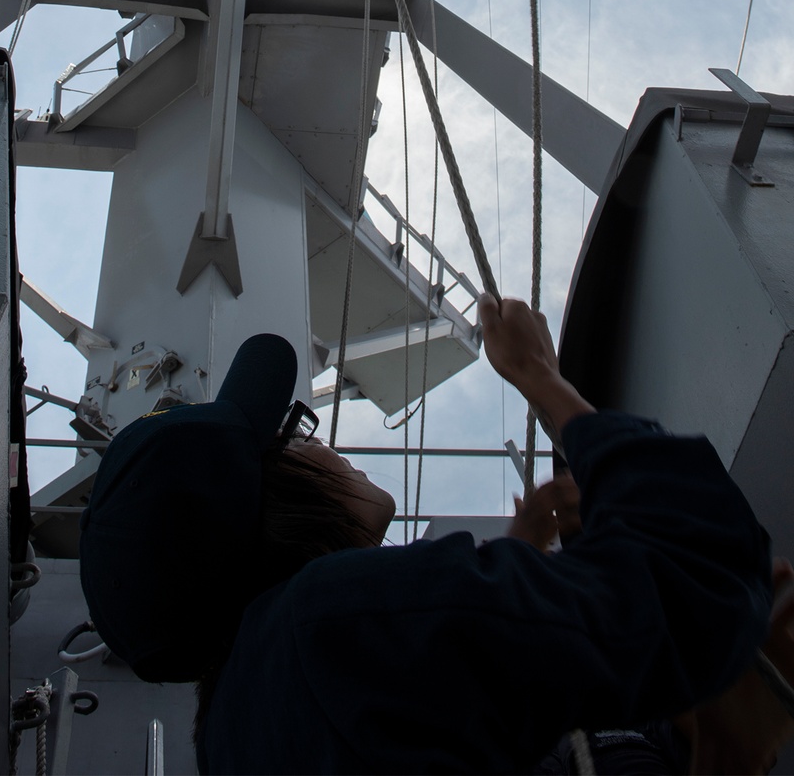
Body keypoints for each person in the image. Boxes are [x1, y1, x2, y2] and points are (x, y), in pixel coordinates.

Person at [78, 299, 788, 773]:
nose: (323, 448)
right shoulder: (326, 625)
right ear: (270, 515)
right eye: (289, 440)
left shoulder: (233, 734)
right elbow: (707, 574)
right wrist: (542, 378)